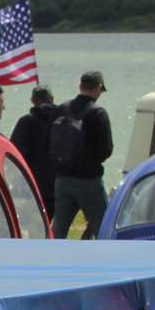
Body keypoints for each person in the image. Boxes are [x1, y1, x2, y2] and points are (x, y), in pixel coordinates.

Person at [49, 70, 114, 238]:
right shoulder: (98, 113)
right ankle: (103, 262)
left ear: (80, 86)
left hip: (63, 179)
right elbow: (106, 150)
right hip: (89, 180)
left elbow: (48, 141)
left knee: (58, 230)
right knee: (103, 228)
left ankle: (51, 260)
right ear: (99, 87)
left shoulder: (62, 108)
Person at [8, 84, 62, 216]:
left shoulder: (26, 121)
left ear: (32, 101)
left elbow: (15, 151)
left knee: (33, 220)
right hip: (58, 180)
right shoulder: (62, 120)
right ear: (52, 98)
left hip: (31, 181)